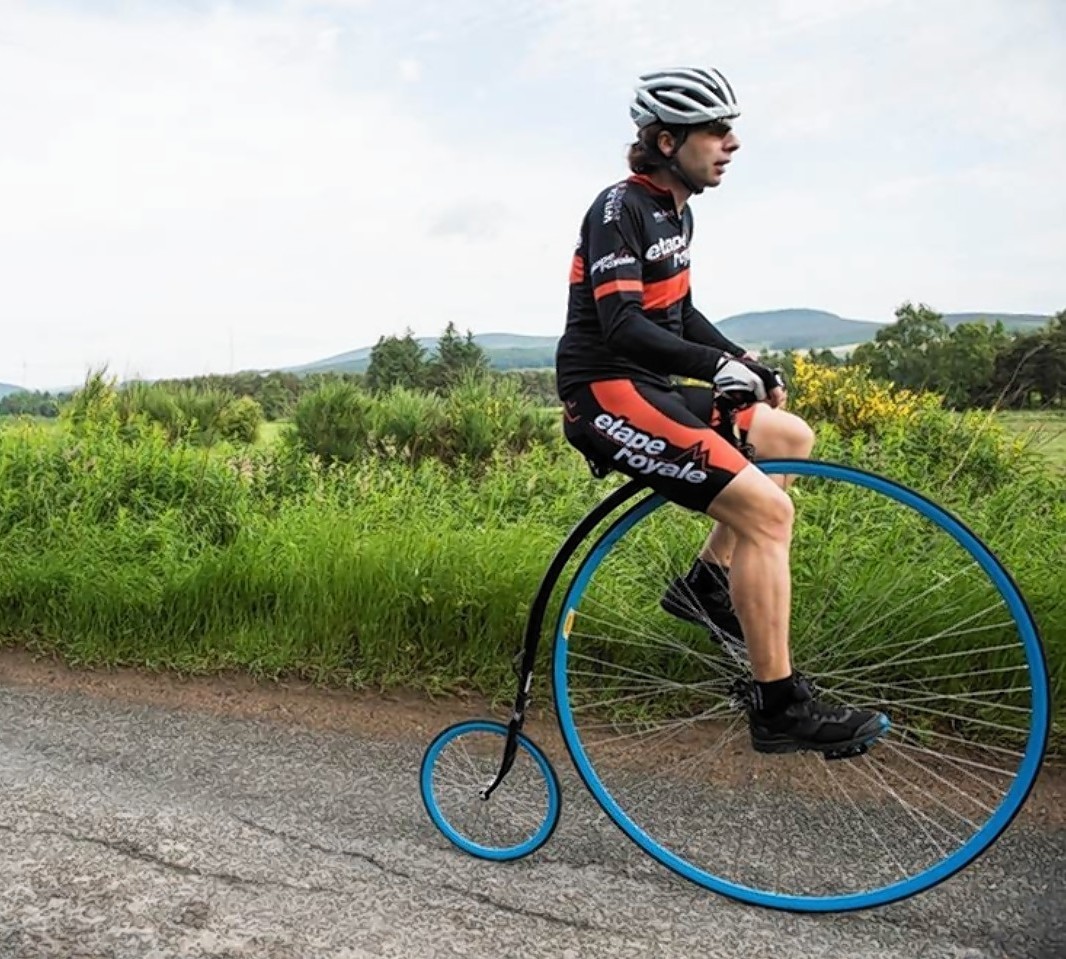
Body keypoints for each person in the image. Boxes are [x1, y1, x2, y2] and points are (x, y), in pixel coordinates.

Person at [554, 66, 889, 756]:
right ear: (668, 140)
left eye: (730, 128)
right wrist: (715, 368)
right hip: (606, 393)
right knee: (769, 512)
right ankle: (779, 704)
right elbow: (621, 325)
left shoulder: (678, 212)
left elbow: (679, 312)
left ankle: (708, 582)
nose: (731, 142)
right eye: (716, 129)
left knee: (789, 436)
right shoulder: (619, 208)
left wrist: (743, 359)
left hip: (654, 388)